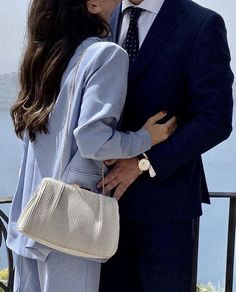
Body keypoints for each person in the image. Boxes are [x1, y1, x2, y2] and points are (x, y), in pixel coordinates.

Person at [6, 0, 177, 291]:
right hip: (68, 222)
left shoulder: (46, 57)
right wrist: (146, 138)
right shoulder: (106, 54)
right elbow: (94, 142)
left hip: (29, 217)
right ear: (93, 4)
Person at [98, 0, 234, 291]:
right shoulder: (96, 14)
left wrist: (142, 162)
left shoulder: (201, 24)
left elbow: (215, 120)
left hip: (165, 212)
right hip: (98, 206)